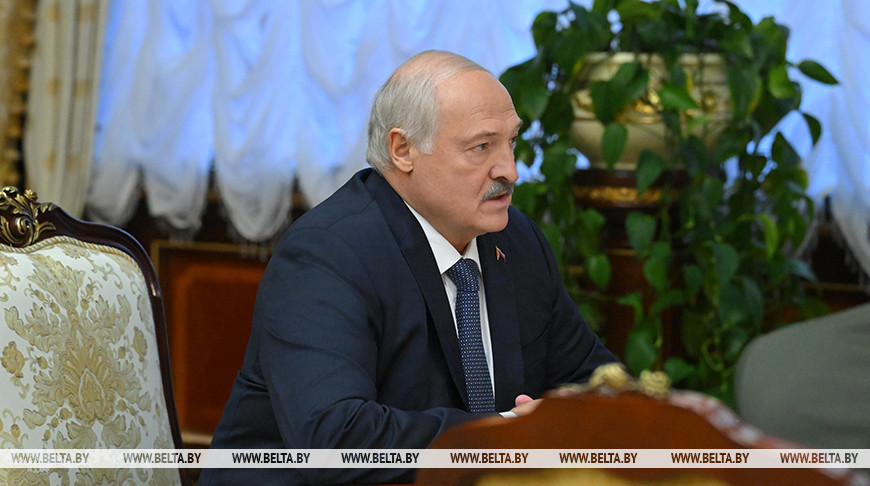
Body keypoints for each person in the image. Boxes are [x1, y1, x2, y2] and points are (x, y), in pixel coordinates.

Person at [198, 50, 617, 486]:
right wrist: (502, 436)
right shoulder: (328, 255)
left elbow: (593, 381)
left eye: (511, 142)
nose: (509, 171)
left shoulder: (516, 240)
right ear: (403, 151)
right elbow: (334, 439)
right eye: (481, 147)